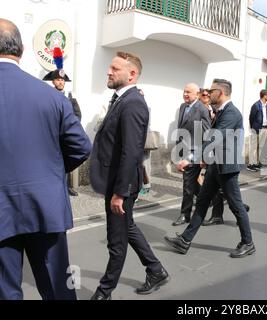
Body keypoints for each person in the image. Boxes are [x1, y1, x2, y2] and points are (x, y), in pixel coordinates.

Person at [0, 19, 91, 300]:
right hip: (46, 204)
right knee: (60, 288)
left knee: (5, 292)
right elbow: (81, 147)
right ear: (22, 49)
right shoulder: (51, 96)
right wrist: (50, 172)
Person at [89, 52, 169, 299]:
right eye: (109, 67)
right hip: (117, 181)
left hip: (121, 185)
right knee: (127, 227)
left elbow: (132, 152)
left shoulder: (132, 102)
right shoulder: (122, 99)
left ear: (132, 74)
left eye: (115, 68)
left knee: (117, 241)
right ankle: (156, 270)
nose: (109, 72)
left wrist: (120, 194)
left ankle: (104, 292)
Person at [164, 79, 255, 258]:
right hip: (215, 165)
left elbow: (215, 138)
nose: (207, 93)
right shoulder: (221, 111)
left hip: (227, 167)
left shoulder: (232, 113)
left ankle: (248, 242)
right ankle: (184, 240)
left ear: (220, 92)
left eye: (211, 91)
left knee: (236, 206)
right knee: (203, 202)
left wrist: (191, 158)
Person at [172, 83, 211, 226]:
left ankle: (185, 214)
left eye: (188, 92)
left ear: (197, 94)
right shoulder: (183, 107)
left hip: (195, 154)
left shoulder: (202, 109)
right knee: (193, 184)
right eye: (184, 91)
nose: (185, 94)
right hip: (184, 150)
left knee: (188, 184)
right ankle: (213, 199)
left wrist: (196, 157)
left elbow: (206, 135)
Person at [43, 65, 82, 197]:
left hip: (66, 135)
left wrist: (70, 129)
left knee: (66, 161)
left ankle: (66, 186)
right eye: (58, 80)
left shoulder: (71, 97)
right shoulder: (47, 96)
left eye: (63, 80)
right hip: (53, 136)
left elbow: (78, 114)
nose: (61, 82)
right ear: (53, 82)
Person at [247, 90, 267, 172]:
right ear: (264, 96)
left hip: (264, 128)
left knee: (261, 147)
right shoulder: (256, 105)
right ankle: (251, 164)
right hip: (256, 129)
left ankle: (258, 163)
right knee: (253, 147)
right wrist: (253, 127)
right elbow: (251, 117)